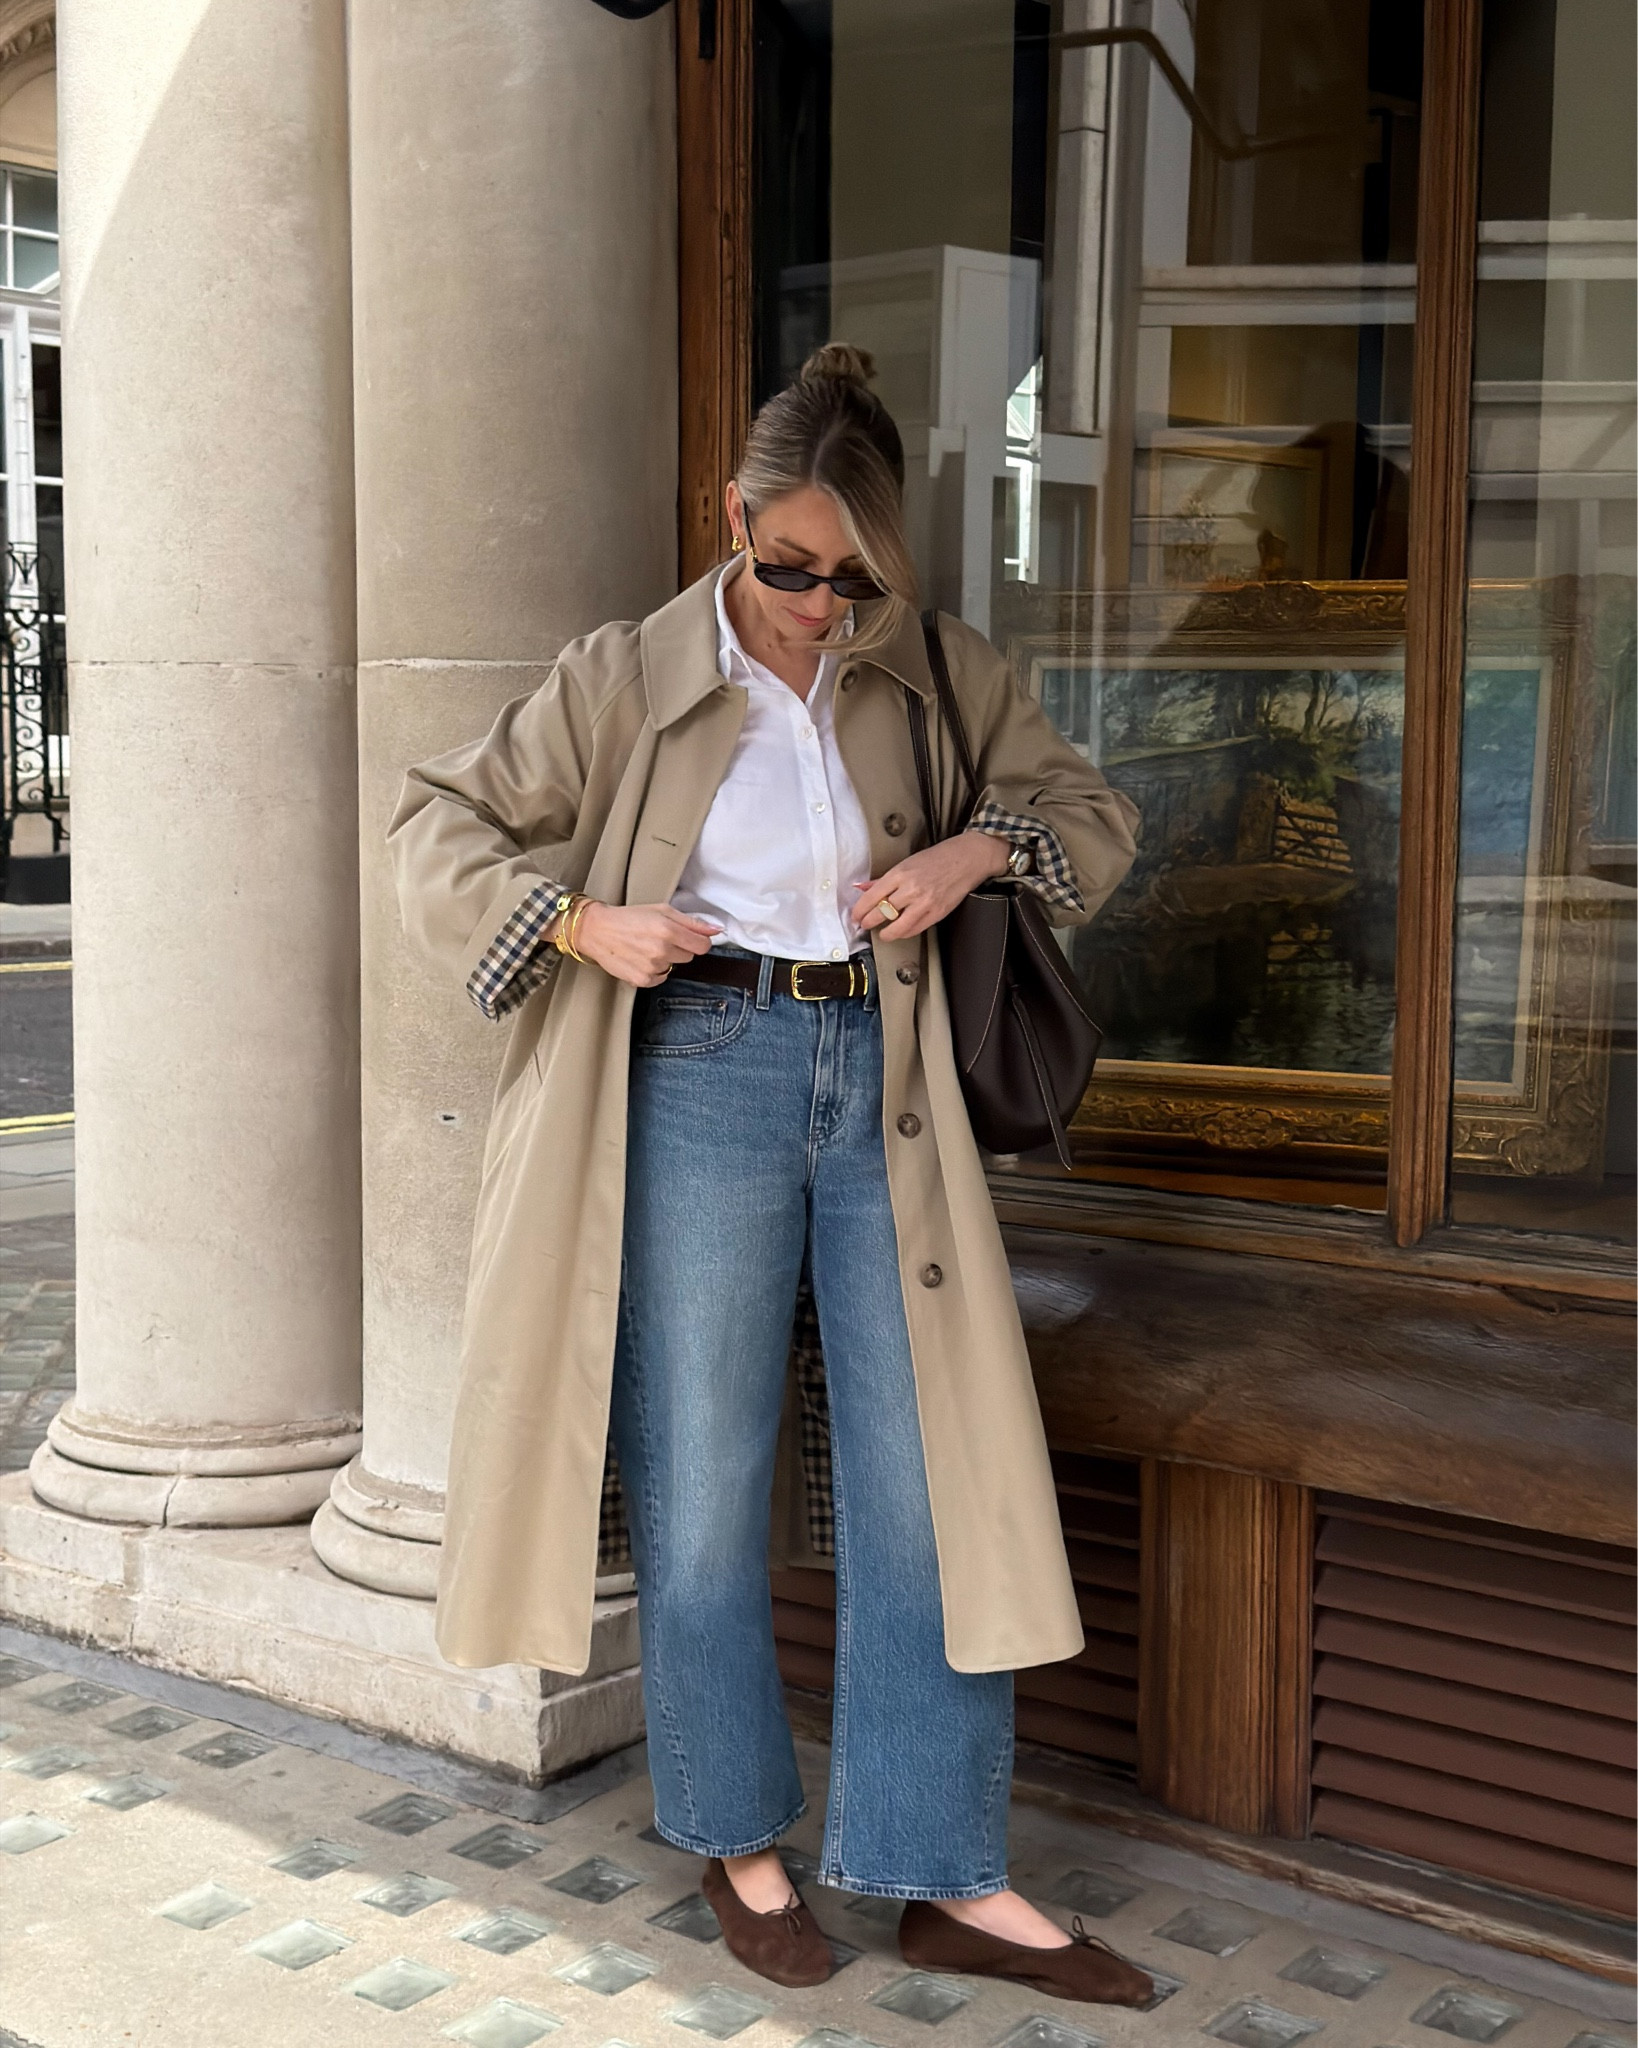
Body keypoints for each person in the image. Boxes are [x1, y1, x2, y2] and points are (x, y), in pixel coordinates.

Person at [389, 345, 1145, 2001]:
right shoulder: (625, 673)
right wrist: (588, 925)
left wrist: (969, 852)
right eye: (787, 564)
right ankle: (736, 1838)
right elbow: (433, 825)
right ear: (732, 520)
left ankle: (942, 1868)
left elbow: (1089, 812)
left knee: (926, 1475)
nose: (816, 603)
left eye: (849, 574)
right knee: (706, 1475)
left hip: (885, 1087)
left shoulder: (934, 670)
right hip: (700, 1074)